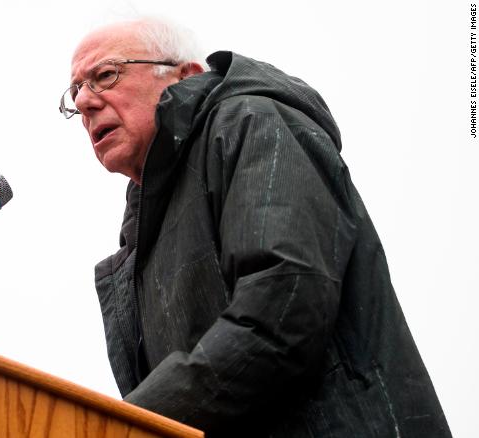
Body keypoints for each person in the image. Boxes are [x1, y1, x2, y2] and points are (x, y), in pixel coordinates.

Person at [60, 18, 452, 437]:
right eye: (75, 92)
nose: (85, 102)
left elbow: (282, 311)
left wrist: (118, 426)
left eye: (105, 75)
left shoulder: (253, 122)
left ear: (184, 76)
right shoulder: (141, 231)